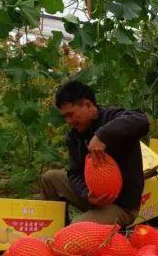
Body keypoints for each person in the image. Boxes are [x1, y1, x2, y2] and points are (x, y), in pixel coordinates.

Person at [41, 80, 149, 226]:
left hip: (120, 206)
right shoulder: (74, 136)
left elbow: (142, 120)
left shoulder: (112, 117)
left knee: (76, 230)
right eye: (65, 116)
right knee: (50, 178)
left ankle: (72, 233)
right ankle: (54, 229)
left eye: (71, 114)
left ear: (88, 105)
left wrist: (102, 136)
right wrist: (86, 194)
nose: (68, 121)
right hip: (94, 198)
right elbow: (74, 173)